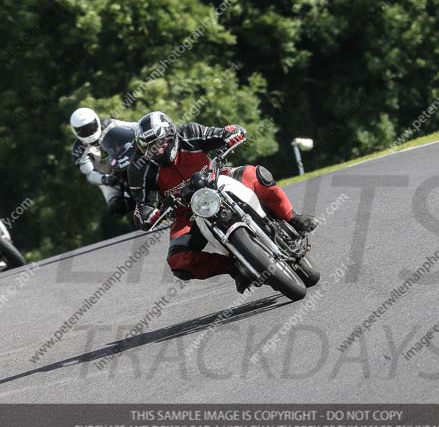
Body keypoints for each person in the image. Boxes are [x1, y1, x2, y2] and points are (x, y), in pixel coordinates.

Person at [128, 111, 318, 292]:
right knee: (178, 261)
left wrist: (231, 133)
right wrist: (146, 214)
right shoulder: (139, 169)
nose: (158, 150)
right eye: (151, 148)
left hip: (217, 179)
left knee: (257, 175)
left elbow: (219, 134)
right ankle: (235, 267)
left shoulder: (189, 132)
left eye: (161, 142)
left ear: (171, 134)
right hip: (187, 211)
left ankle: (293, 218)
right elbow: (142, 205)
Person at [70, 107, 137, 217]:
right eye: (83, 131)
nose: (89, 132)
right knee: (117, 208)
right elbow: (90, 174)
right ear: (76, 131)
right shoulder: (78, 151)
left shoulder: (108, 124)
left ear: (96, 121)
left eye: (91, 127)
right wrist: (105, 179)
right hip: (108, 175)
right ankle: (124, 201)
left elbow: (133, 126)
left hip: (128, 159)